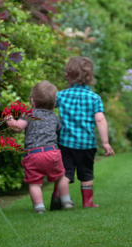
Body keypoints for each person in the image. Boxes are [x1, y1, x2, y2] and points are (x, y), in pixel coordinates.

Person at [50, 56, 115, 210]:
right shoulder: (94, 98)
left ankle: (58, 196)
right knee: (86, 174)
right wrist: (105, 142)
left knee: (65, 173)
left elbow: (48, 108)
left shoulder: (61, 95)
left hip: (65, 143)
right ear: (89, 76)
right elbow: (100, 120)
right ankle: (88, 202)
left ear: (68, 75)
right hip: (86, 144)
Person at [7, 80, 75, 214]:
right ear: (54, 104)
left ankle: (39, 208)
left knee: (35, 183)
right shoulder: (54, 117)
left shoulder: (29, 114)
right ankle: (66, 201)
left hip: (33, 154)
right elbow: (58, 130)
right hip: (52, 153)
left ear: (33, 101)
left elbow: (17, 128)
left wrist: (9, 119)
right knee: (61, 176)